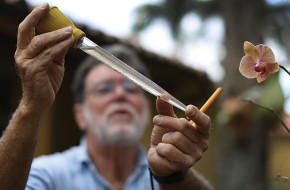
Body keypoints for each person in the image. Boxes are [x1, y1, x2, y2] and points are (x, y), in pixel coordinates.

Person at [0, 4, 213, 190]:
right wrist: (32, 105)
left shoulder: (171, 176)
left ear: (148, 110)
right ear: (80, 114)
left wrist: (173, 176)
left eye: (131, 89)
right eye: (104, 89)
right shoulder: (47, 175)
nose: (120, 94)